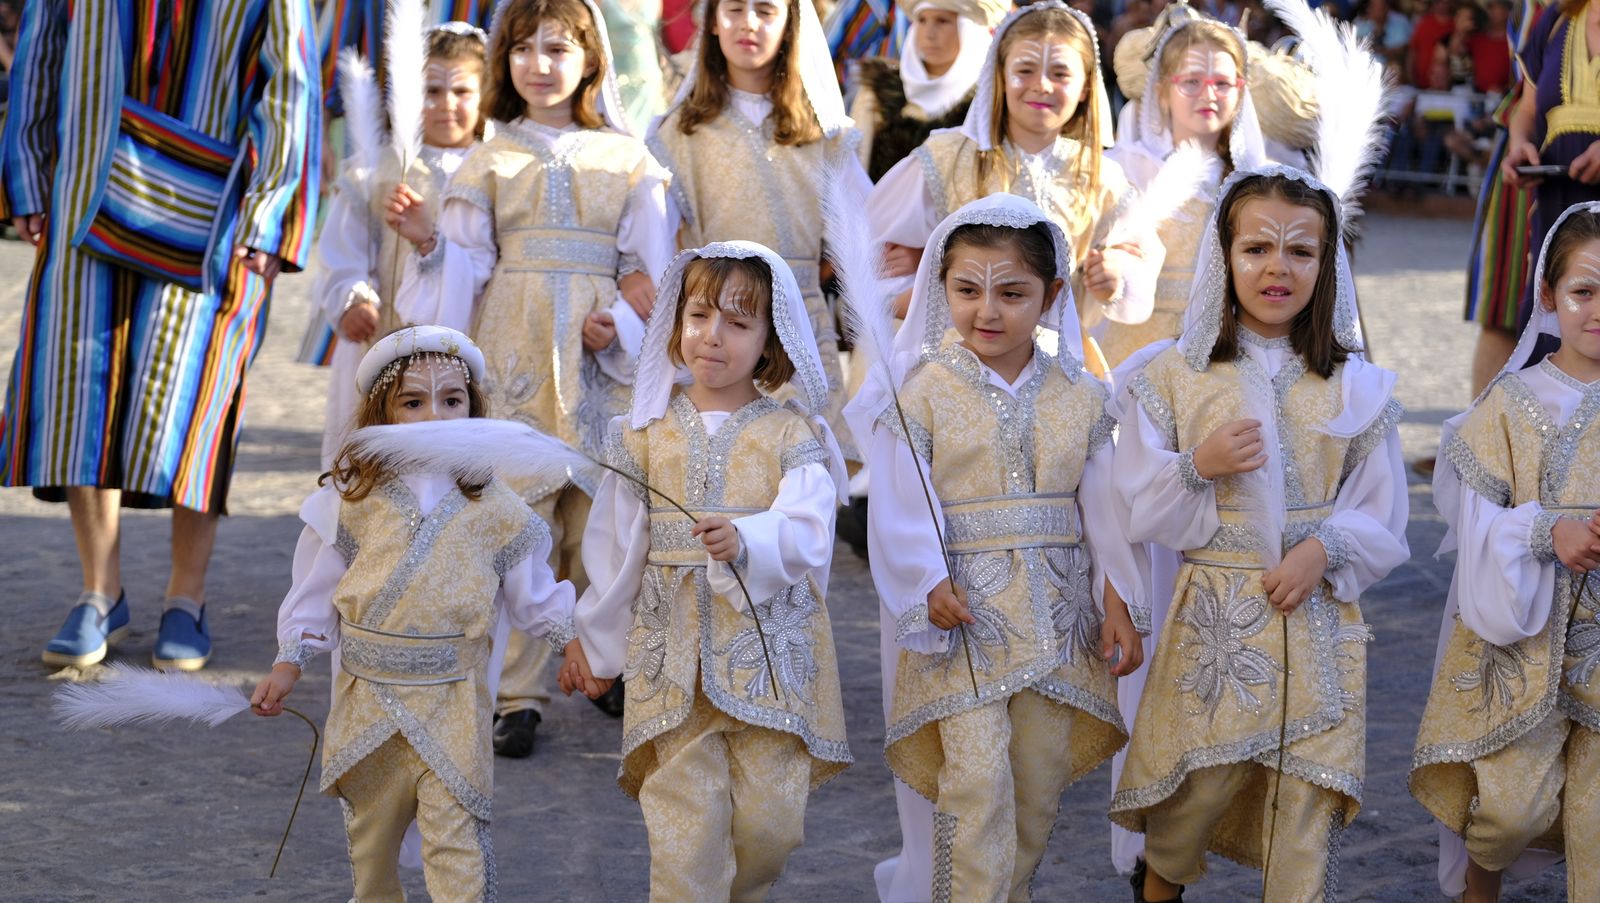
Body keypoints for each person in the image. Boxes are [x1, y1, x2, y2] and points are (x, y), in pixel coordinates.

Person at [1107, 168, 1410, 902]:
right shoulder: (1176, 374)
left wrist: (1325, 548)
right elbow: (1137, 502)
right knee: (1193, 799)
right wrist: (1198, 467)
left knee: (1305, 809)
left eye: (1301, 252)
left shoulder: (1354, 383)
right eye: (1257, 248)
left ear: (1328, 263)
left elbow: (1383, 508)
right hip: (1216, 624)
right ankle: (1160, 881)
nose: (1278, 267)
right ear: (1224, 256)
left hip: (1317, 621)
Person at [392, 0, 674, 756]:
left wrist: (621, 317)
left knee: (604, 523)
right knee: (519, 525)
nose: (538, 62)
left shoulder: (629, 160)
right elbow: (466, 268)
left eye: (557, 46)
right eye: (522, 47)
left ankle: (609, 665)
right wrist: (427, 242)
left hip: (600, 363)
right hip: (514, 350)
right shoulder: (490, 157)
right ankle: (517, 692)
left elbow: (655, 270)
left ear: (591, 58)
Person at [849, 193, 1149, 901]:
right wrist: (927, 579)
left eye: (1012, 293)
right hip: (965, 626)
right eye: (967, 290)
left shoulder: (1083, 395)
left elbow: (1103, 510)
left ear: (1050, 296)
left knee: (1035, 791)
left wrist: (1119, 602)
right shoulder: (920, 393)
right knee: (976, 782)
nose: (988, 310)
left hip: (1055, 625)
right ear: (940, 289)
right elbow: (898, 501)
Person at [7, 0, 320, 672]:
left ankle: (188, 596)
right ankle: (100, 590)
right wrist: (27, 176)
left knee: (196, 399)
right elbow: (38, 56)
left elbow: (291, 87)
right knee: (78, 391)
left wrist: (268, 216)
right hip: (83, 194)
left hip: (212, 218)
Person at [251, 325, 590, 902]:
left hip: (454, 699)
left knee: (457, 838)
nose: (435, 413)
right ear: (383, 410)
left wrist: (574, 641)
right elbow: (314, 589)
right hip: (368, 699)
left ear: (474, 408)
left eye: (451, 399)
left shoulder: (495, 506)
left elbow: (534, 590)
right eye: (414, 401)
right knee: (372, 844)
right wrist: (291, 660)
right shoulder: (351, 499)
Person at [566, 242, 852, 901]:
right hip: (671, 666)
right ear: (674, 323)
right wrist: (599, 643)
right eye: (698, 315)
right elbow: (612, 549)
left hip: (770, 662)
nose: (712, 336)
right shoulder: (643, 431)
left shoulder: (793, 433)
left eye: (738, 322)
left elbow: (809, 529)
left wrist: (749, 537)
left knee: (769, 826)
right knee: (683, 837)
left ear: (770, 338)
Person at [1411, 200, 1600, 903]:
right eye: (1584, 291)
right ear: (1548, 297)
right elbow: (1466, 509)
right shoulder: (1512, 402)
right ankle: (1480, 878)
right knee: (1509, 810)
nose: (1598, 309)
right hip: (1527, 640)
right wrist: (1545, 531)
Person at [647, 0, 871, 460]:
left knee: (807, 468)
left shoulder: (822, 131)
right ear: (711, 21)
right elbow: (655, 241)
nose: (748, 23)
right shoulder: (677, 133)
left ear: (791, 24)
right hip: (714, 329)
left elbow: (872, 231)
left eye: (766, 11)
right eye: (734, 9)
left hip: (801, 328)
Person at [868, 1, 1142, 375]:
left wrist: (1114, 277)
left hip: (1060, 373)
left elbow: (1130, 268)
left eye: (1060, 73)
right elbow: (872, 261)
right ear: (999, 75)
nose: (1041, 85)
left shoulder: (1103, 177)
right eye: (1024, 70)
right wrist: (936, 270)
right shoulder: (946, 158)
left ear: (1085, 86)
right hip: (956, 371)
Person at [304, 23, 489, 469]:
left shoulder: (493, 171)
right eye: (431, 90)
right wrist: (353, 298)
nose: (447, 105)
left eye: (461, 91)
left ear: (485, 95)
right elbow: (344, 252)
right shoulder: (375, 172)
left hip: (469, 340)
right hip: (381, 341)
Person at [1099, 8, 1268, 369]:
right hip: (1139, 352)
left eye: (1222, 83)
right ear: (1162, 92)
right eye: (1191, 81)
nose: (1208, 94)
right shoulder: (1123, 171)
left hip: (1226, 353)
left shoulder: (1258, 182)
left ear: (1240, 91)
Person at [849, 0, 1007, 182]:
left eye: (942, 21)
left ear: (969, 29)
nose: (929, 34)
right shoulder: (879, 90)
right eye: (922, 20)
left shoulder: (992, 97)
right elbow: (855, 168)